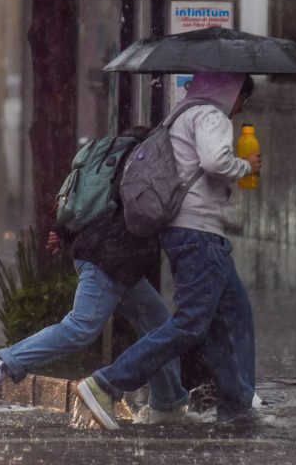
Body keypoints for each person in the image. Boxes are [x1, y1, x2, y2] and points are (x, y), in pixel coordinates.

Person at [75, 72, 261, 430]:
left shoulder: (183, 114)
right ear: (232, 92)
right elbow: (214, 162)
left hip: (202, 236)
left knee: (233, 316)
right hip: (198, 234)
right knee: (191, 324)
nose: (240, 109)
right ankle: (105, 384)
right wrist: (245, 166)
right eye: (243, 100)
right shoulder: (211, 115)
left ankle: (237, 406)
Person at [0, 127, 195, 424]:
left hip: (114, 257)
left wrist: (65, 232)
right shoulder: (150, 157)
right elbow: (136, 207)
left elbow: (100, 200)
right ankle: (3, 364)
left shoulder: (125, 151)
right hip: (111, 257)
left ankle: (167, 405)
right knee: (81, 327)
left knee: (158, 323)